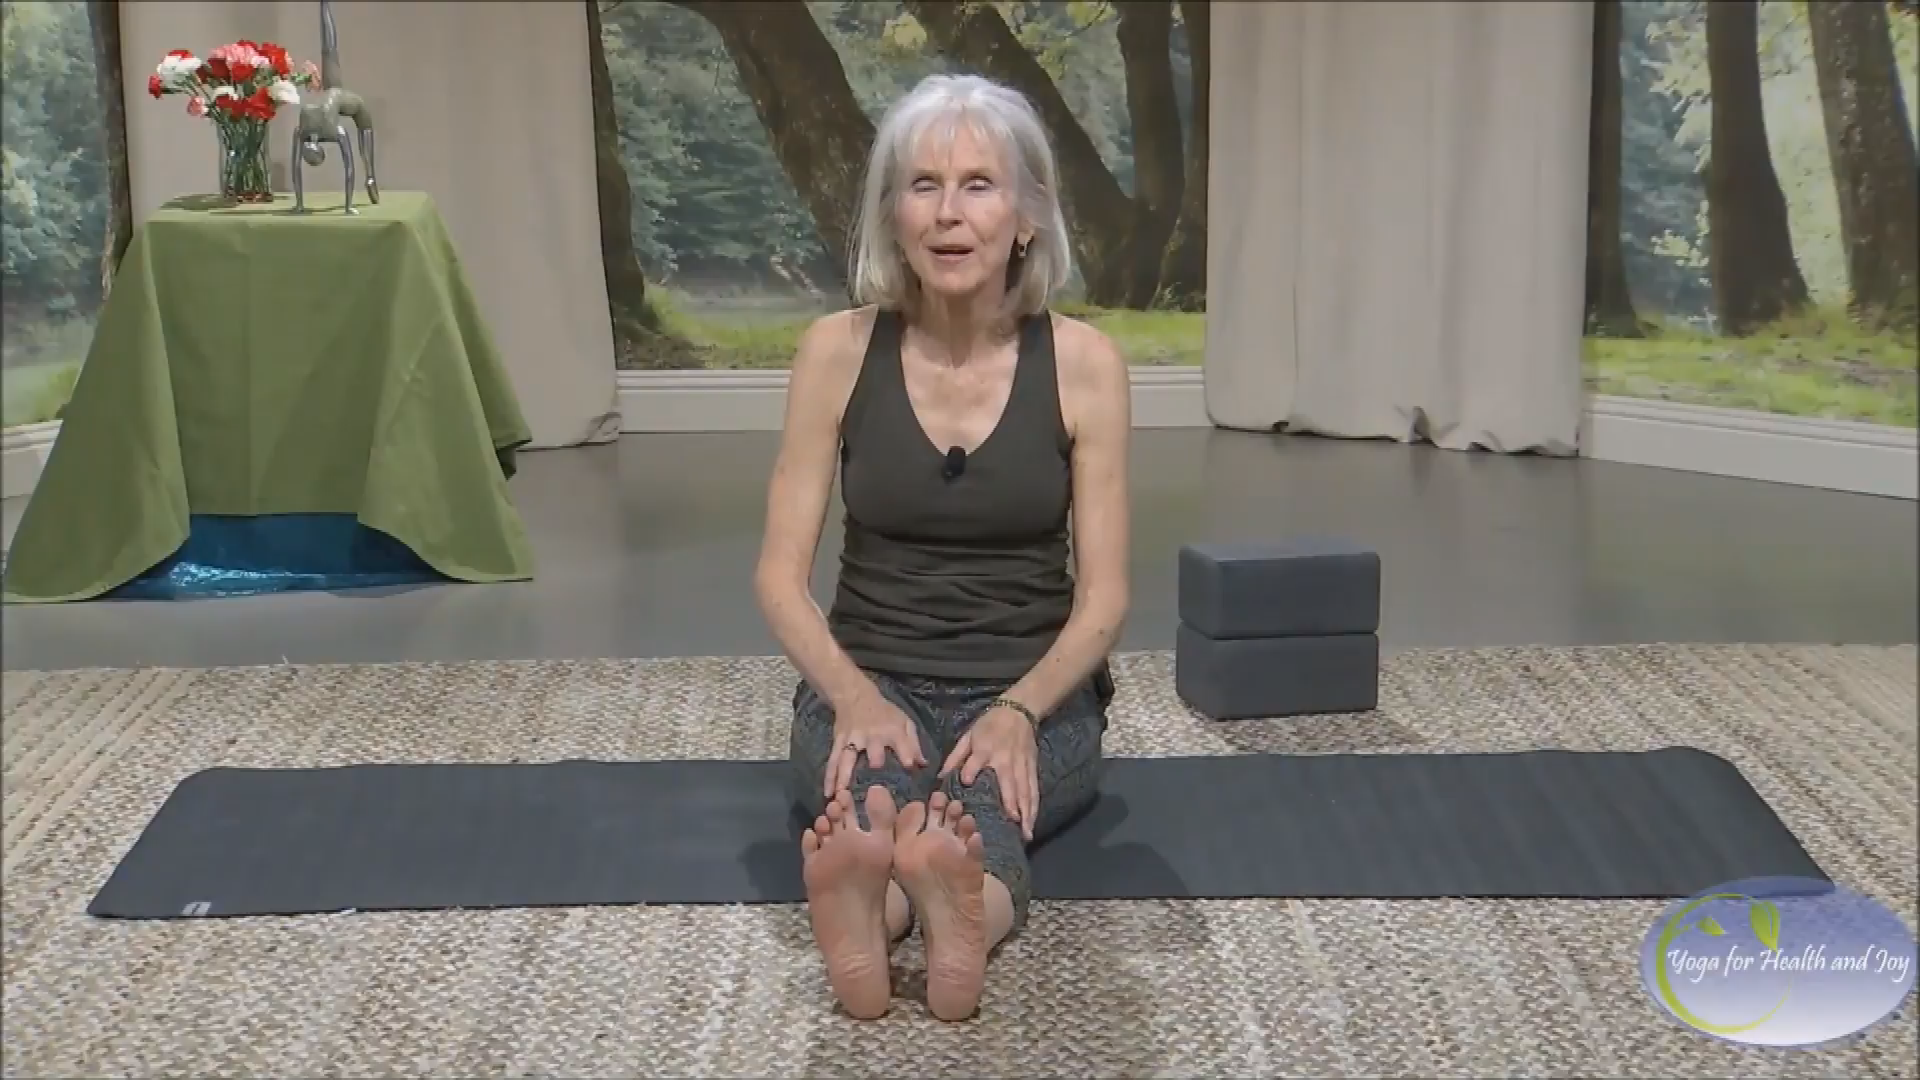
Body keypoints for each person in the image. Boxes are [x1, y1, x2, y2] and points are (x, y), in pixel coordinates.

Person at [753, 73, 1132, 1022]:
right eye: (924, 185)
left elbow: (1105, 601)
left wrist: (1018, 711)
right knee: (872, 801)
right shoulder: (835, 352)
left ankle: (951, 913)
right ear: (894, 213)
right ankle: (874, 907)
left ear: (1028, 216)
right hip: (870, 682)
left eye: (978, 185)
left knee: (981, 813)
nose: (948, 213)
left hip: (1030, 691)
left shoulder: (1085, 364)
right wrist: (853, 697)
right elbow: (778, 580)